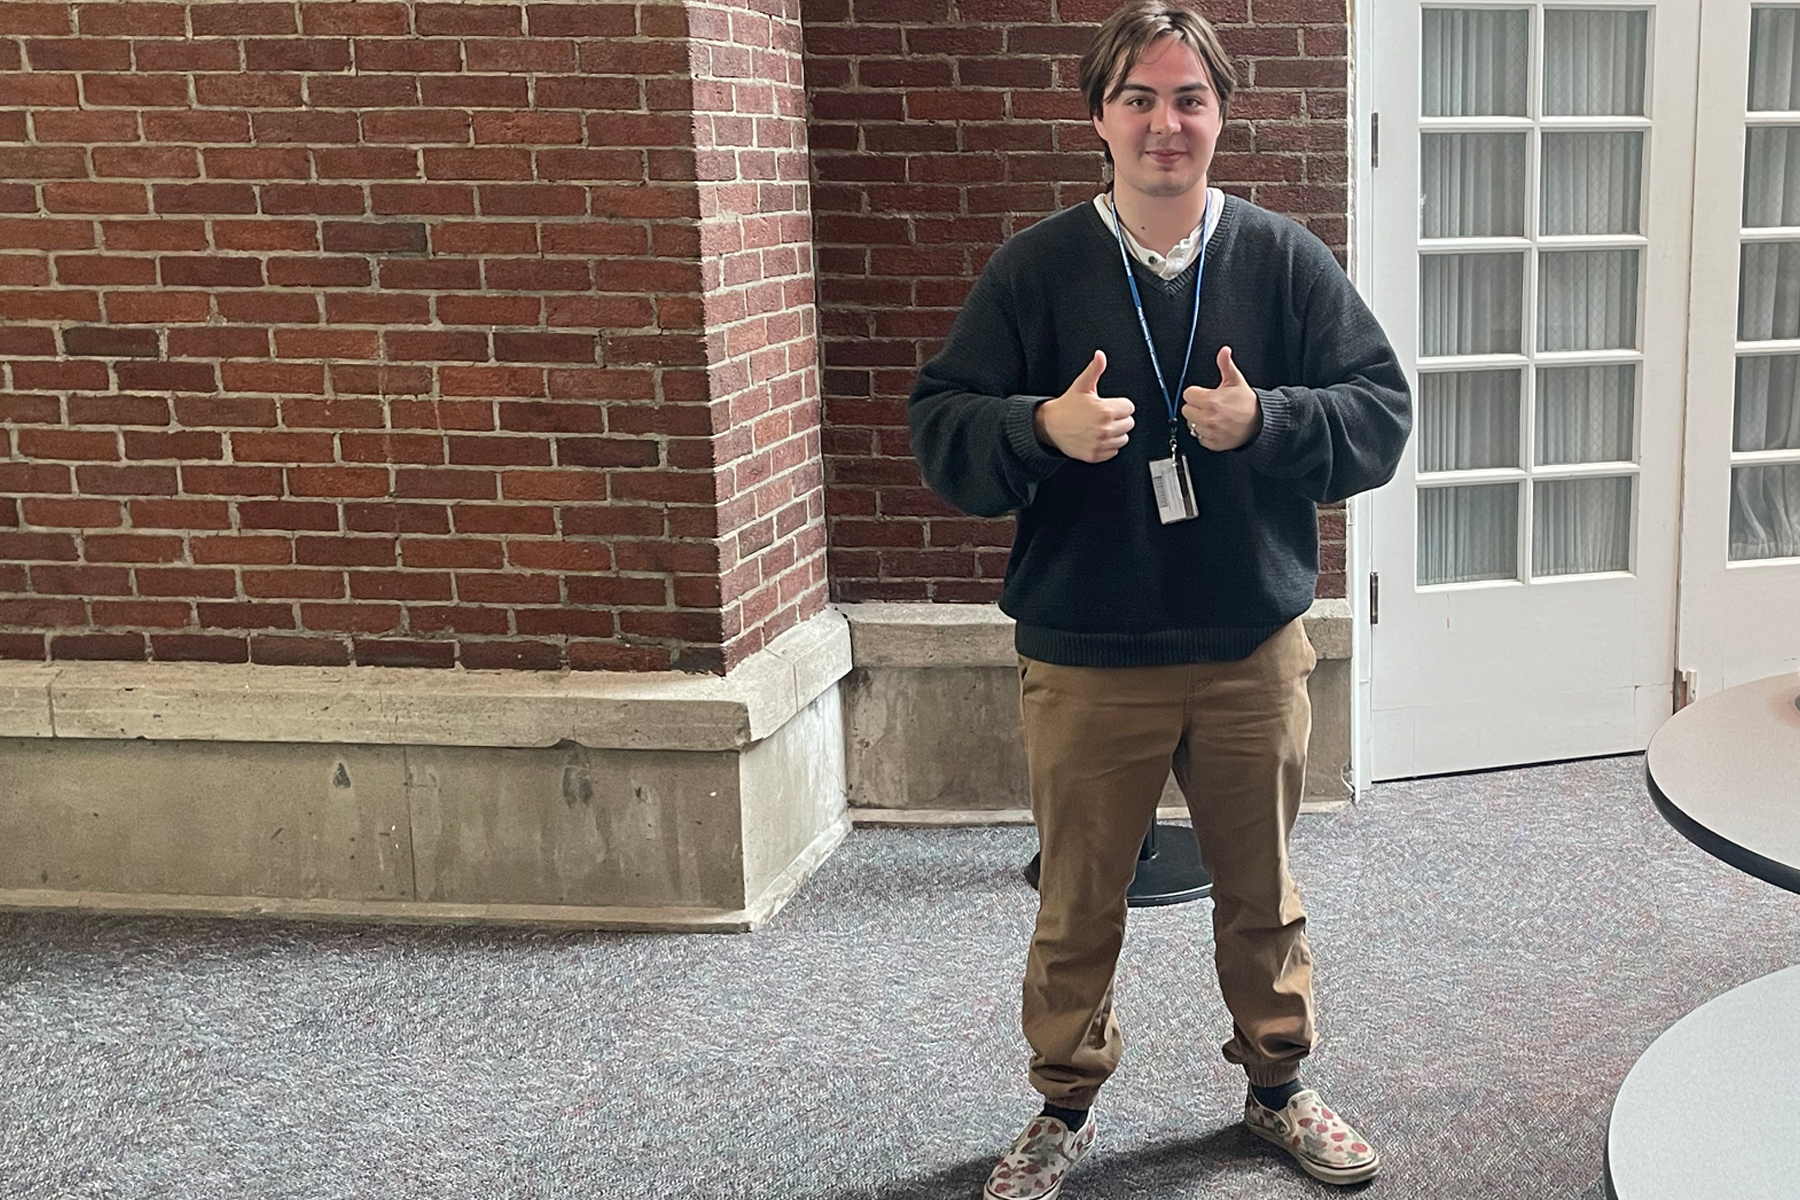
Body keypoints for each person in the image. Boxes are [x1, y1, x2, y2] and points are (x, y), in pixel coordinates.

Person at [907, 2, 1412, 1195]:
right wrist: (1040, 426)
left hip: (1250, 644)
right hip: (1089, 650)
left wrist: (1270, 419)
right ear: (1100, 117)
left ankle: (1279, 1088)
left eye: (1188, 98)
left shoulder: (1283, 258)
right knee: (1079, 901)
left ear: (1221, 116)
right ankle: (1062, 1108)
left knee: (1262, 892)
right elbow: (940, 427)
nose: (1165, 123)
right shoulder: (1036, 268)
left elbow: (1380, 413)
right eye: (1139, 98)